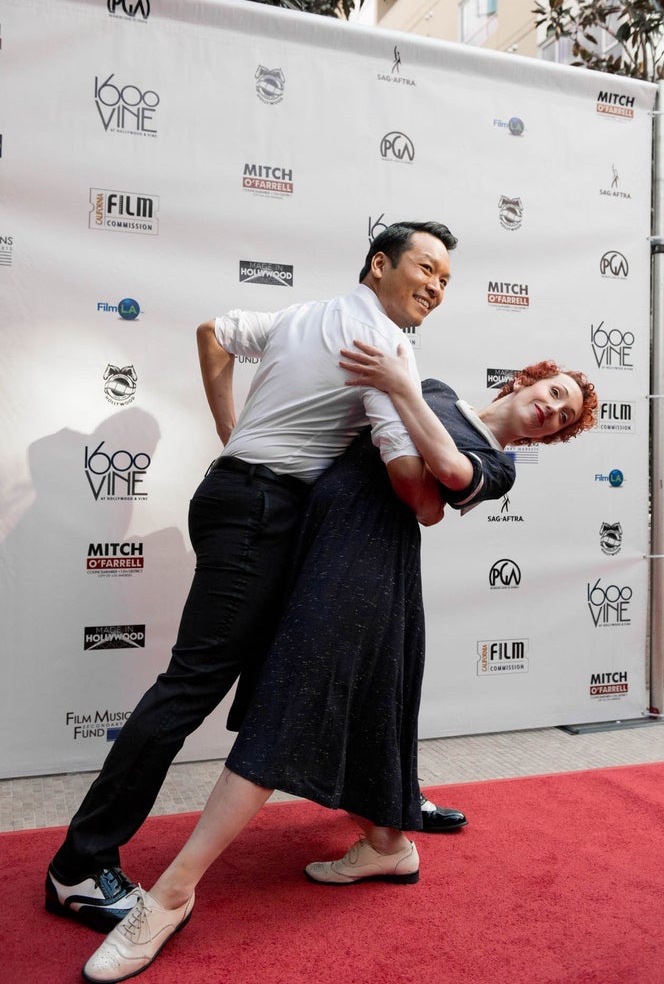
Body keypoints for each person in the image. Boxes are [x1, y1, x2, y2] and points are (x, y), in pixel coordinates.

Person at [81, 353, 597, 984]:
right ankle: (388, 846)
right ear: (526, 379)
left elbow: (439, 487)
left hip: (365, 573)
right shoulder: (433, 388)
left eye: (564, 418)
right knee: (350, 724)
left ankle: (168, 898)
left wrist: (397, 388)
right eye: (554, 393)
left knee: (280, 722)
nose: (552, 411)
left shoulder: (497, 466)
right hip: (305, 552)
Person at [46, 221, 460, 935]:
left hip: (239, 500)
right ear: (379, 263)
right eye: (425, 268)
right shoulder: (385, 347)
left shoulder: (303, 314)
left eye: (446, 280)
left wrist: (231, 430)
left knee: (298, 667)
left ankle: (388, 811)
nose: (435, 286)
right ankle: (79, 866)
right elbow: (412, 486)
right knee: (191, 685)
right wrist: (463, 465)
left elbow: (213, 331)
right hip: (260, 513)